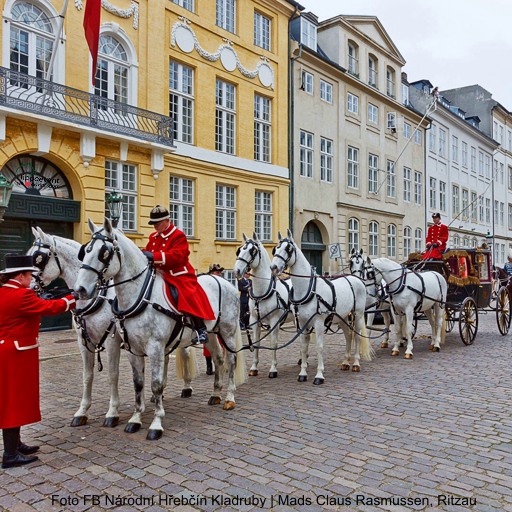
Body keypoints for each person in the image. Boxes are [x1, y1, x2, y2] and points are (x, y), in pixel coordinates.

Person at [0, 254, 76, 469]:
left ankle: (15, 445)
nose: (31, 279)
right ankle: (10, 454)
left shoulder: (4, 292)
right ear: (22, 275)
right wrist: (72, 299)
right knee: (15, 401)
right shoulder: (22, 294)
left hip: (8, 351)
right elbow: (49, 309)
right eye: (29, 275)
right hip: (18, 353)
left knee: (15, 400)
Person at [143, 205, 215, 344]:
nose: (155, 227)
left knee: (187, 293)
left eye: (157, 223)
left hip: (178, 273)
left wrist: (153, 256)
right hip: (158, 273)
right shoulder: (153, 236)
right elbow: (149, 250)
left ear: (167, 220)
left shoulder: (178, 235)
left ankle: (200, 328)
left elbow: (176, 256)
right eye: (153, 224)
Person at [203, 263, 225, 375]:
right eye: (217, 272)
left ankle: (221, 364)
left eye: (220, 273)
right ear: (211, 273)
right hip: (210, 317)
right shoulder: (206, 286)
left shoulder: (223, 286)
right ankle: (209, 365)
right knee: (207, 343)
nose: (219, 274)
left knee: (222, 342)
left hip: (221, 318)